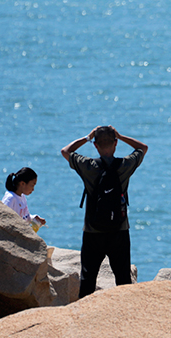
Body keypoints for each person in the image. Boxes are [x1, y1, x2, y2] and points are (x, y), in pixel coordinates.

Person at [62, 125, 148, 298]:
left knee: (88, 279)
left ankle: (84, 319)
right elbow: (142, 148)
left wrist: (88, 137)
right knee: (123, 279)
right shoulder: (124, 165)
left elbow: (66, 151)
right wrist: (121, 135)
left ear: (95, 145)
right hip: (120, 230)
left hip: (93, 231)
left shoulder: (89, 166)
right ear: (115, 144)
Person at [2, 167, 46, 232]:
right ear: (22, 183)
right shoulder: (10, 198)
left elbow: (25, 217)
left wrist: (34, 218)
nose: (33, 189)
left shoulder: (22, 197)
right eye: (32, 185)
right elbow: (2, 218)